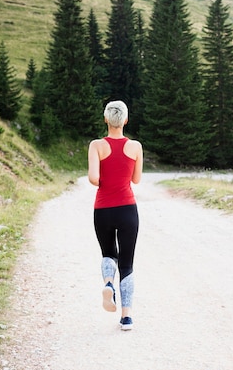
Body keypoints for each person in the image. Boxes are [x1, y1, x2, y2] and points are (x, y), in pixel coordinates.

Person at [88, 101, 143, 331]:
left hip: (103, 209)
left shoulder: (96, 146)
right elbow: (136, 180)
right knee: (127, 262)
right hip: (127, 209)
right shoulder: (135, 147)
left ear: (106, 120)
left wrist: (105, 182)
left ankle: (108, 284)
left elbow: (93, 178)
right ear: (126, 121)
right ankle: (127, 317)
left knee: (109, 253)